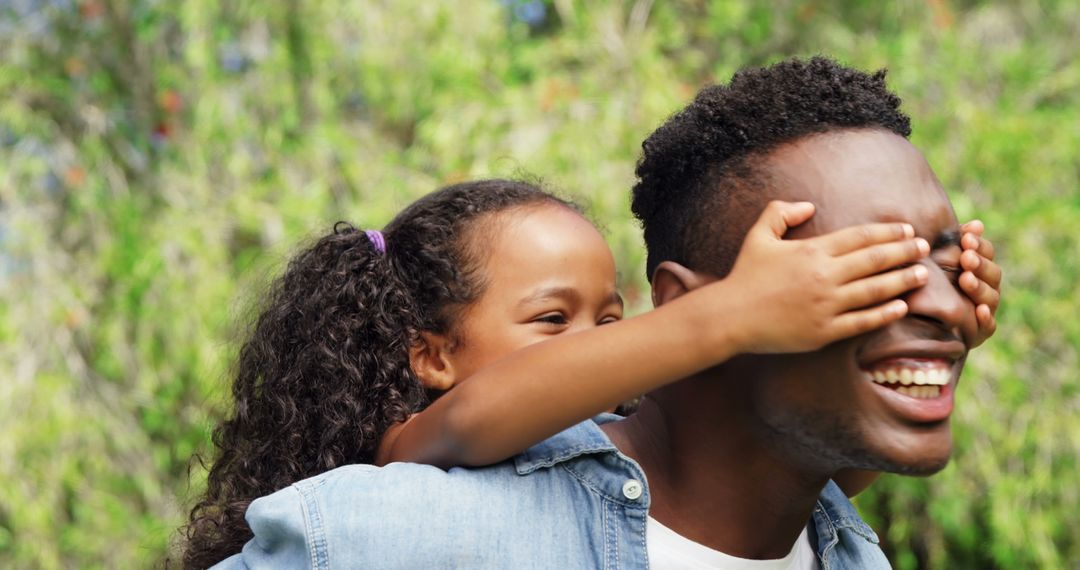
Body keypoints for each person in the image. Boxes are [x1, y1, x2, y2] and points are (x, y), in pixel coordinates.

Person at [211, 57, 1001, 569]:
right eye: (865, 270)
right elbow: (458, 427)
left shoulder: (841, 542)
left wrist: (938, 333)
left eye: (941, 254)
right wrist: (726, 319)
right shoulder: (405, 532)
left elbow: (835, 451)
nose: (937, 295)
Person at [184, 176, 936, 568]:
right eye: (552, 319)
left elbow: (821, 472)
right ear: (433, 356)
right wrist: (728, 314)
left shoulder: (621, 452)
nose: (595, 345)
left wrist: (930, 318)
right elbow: (479, 417)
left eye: (608, 319)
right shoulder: (418, 468)